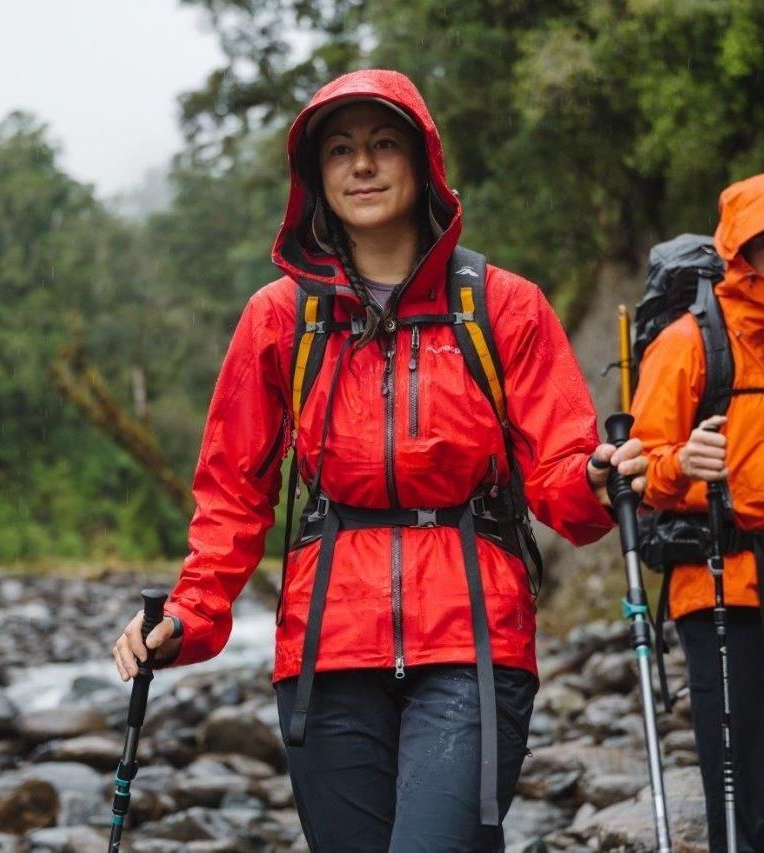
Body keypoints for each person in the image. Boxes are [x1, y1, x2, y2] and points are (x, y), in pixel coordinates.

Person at [112, 68, 647, 852]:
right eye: (340, 150)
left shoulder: (503, 306)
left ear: (422, 162)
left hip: (472, 640)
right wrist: (191, 616)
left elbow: (561, 474)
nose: (361, 165)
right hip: (326, 644)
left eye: (383, 143)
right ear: (316, 178)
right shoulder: (279, 319)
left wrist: (597, 477)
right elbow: (232, 493)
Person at [631, 172, 764, 852]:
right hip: (723, 585)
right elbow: (639, 473)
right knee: (740, 797)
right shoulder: (687, 345)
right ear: (737, 252)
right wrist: (678, 465)